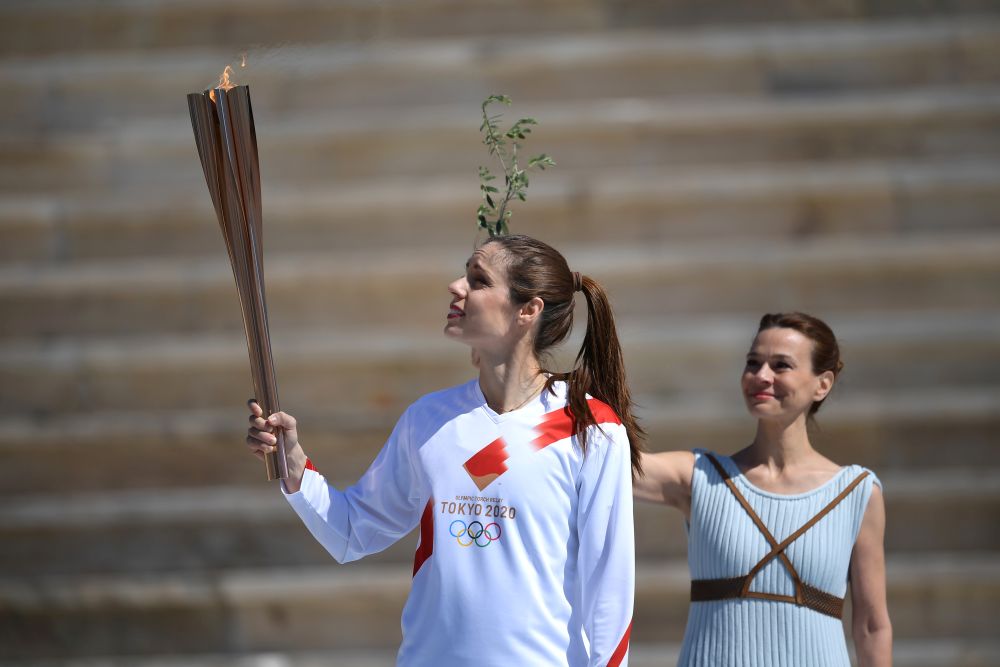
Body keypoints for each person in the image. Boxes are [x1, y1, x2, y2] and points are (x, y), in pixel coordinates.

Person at [246, 234, 642, 666]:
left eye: (478, 279)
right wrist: (296, 465)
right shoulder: (429, 420)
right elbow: (352, 531)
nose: (456, 287)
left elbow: (610, 592)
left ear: (528, 310)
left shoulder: (590, 428)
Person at [634, 312, 892, 667]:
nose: (761, 376)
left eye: (781, 365)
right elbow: (613, 468)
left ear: (823, 384)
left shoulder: (857, 493)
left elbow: (871, 626)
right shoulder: (701, 477)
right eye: (753, 363)